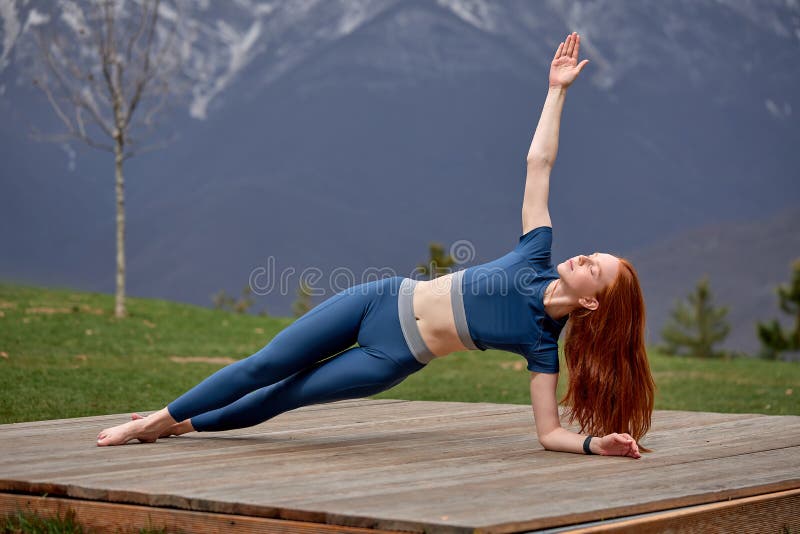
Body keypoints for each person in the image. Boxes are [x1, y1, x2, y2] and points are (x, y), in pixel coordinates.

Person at [98, 32, 654, 458]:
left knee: (284, 396)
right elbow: (539, 162)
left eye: (594, 268)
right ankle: (154, 421)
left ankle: (176, 424)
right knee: (265, 364)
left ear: (591, 302)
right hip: (379, 300)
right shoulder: (536, 253)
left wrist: (592, 445)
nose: (582, 256)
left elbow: (548, 433)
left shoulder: (541, 343)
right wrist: (556, 91)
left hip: (388, 357)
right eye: (593, 252)